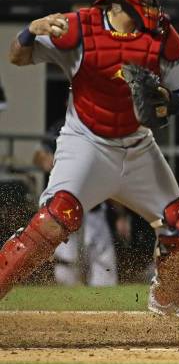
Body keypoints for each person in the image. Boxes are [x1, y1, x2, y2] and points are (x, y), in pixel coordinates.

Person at [2, 0, 179, 318]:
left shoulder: (161, 35)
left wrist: (169, 102)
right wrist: (28, 30)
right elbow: (16, 57)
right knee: (53, 219)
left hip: (138, 146)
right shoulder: (79, 28)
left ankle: (167, 299)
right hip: (87, 142)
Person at [33, 119, 118, 287]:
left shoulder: (102, 128)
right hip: (64, 208)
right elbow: (39, 156)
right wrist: (52, 161)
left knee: (104, 267)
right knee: (66, 267)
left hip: (93, 208)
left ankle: (103, 310)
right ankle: (69, 309)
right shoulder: (62, 127)